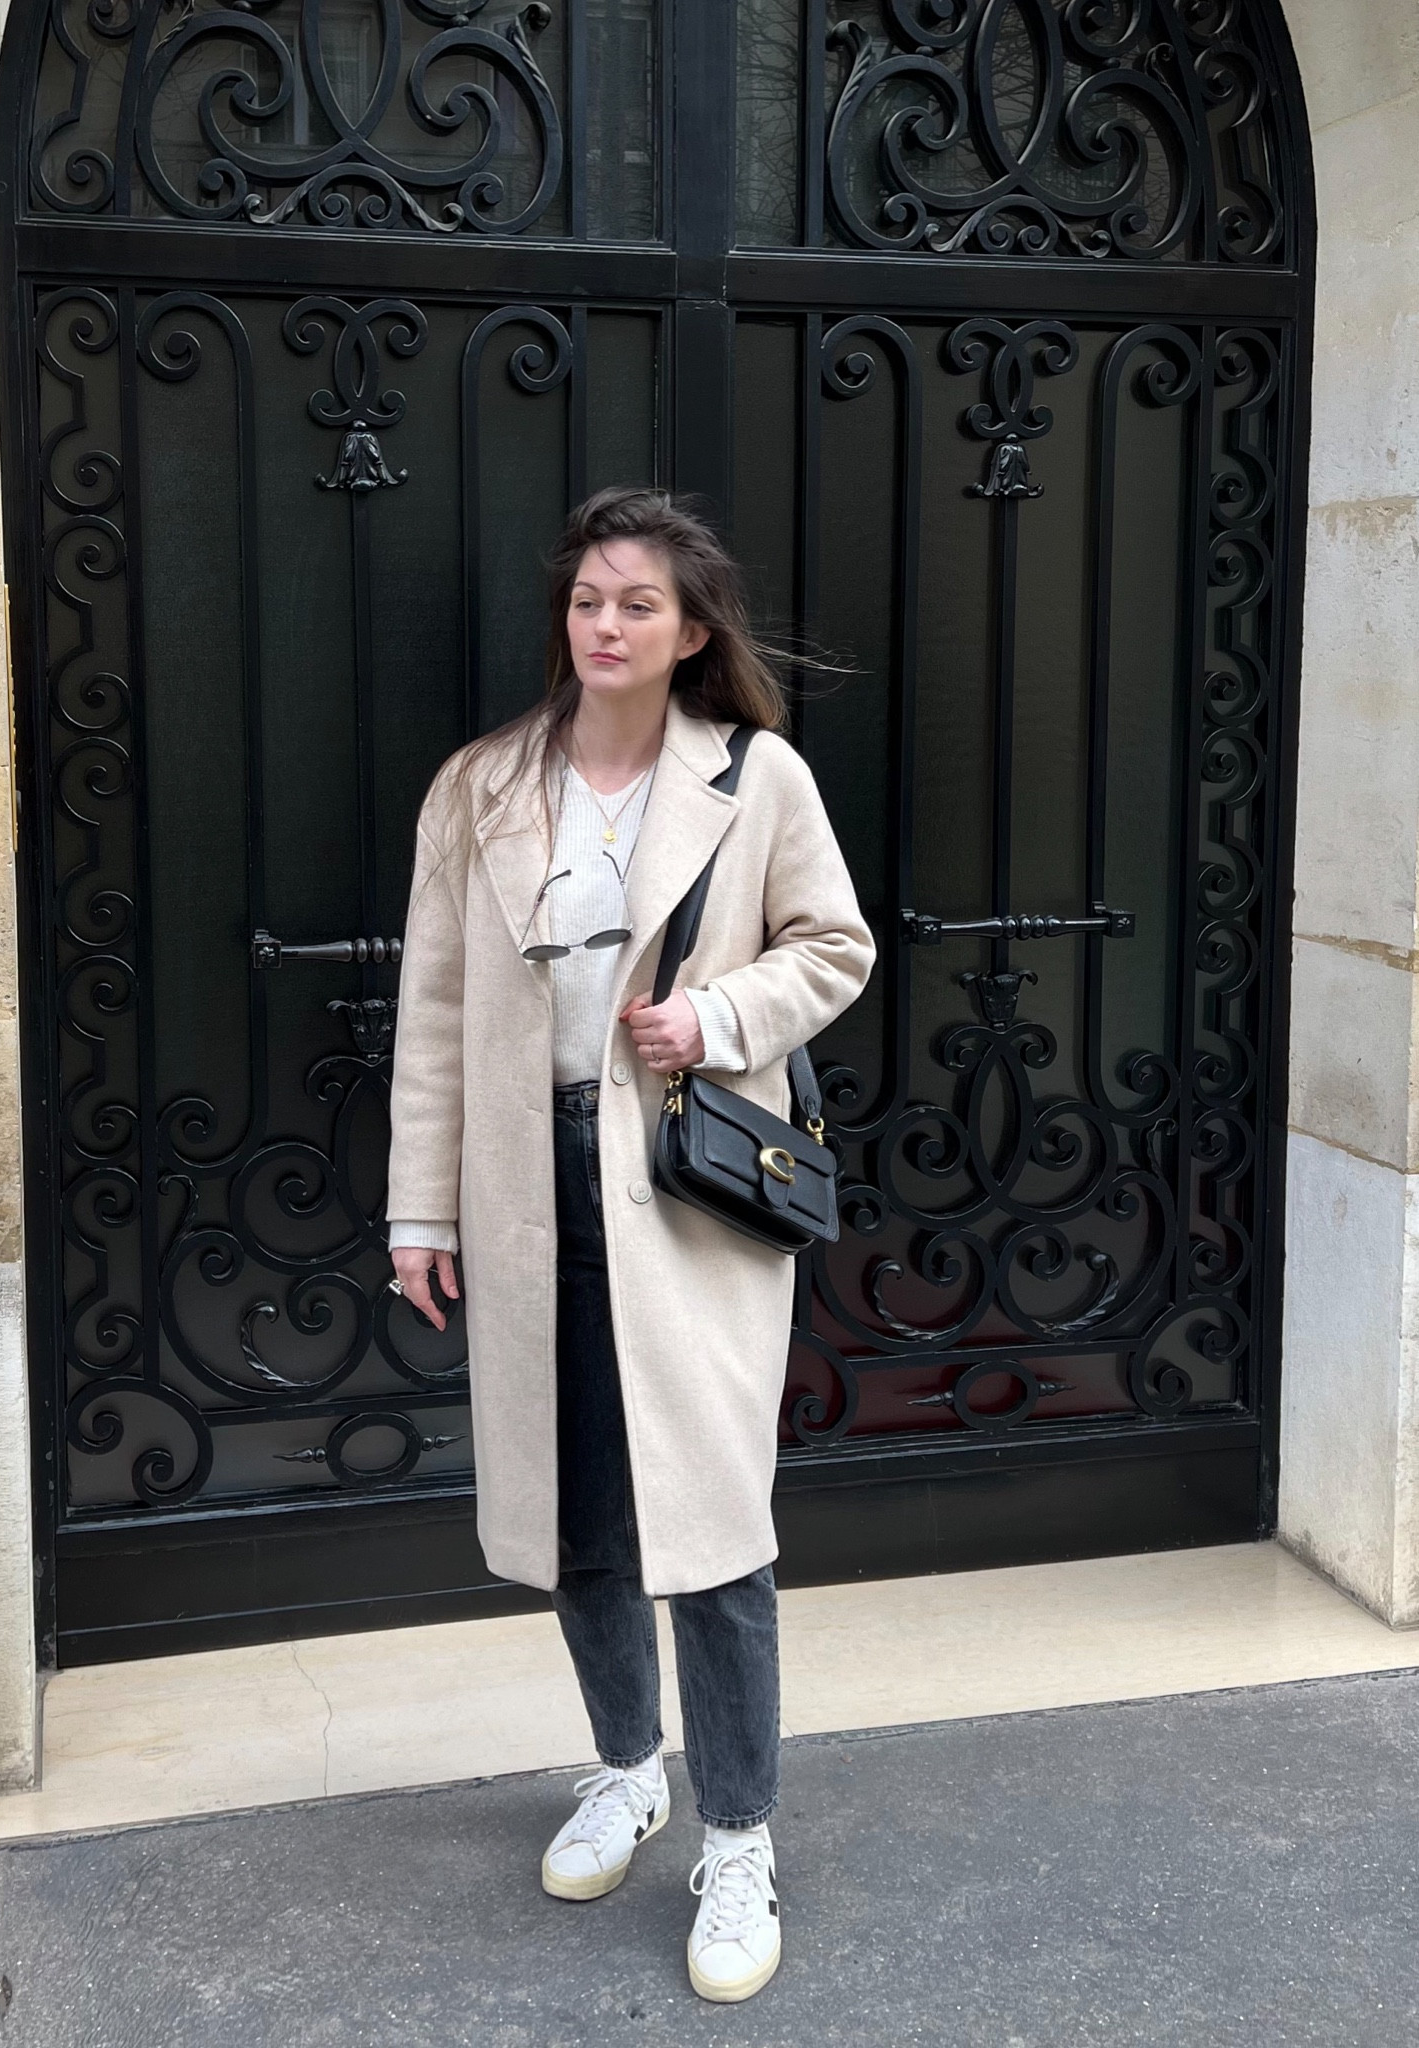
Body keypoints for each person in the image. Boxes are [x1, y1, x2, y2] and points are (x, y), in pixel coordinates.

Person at [385, 486, 873, 2004]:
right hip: (532, 1198)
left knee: (715, 1534)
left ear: (692, 630)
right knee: (579, 1509)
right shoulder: (482, 787)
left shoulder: (756, 777)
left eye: (638, 604)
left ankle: (738, 1839)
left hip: (686, 1199)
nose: (607, 624)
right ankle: (622, 1770)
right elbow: (440, 1012)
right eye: (591, 600)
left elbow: (835, 948)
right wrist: (420, 1207)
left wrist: (715, 1019)